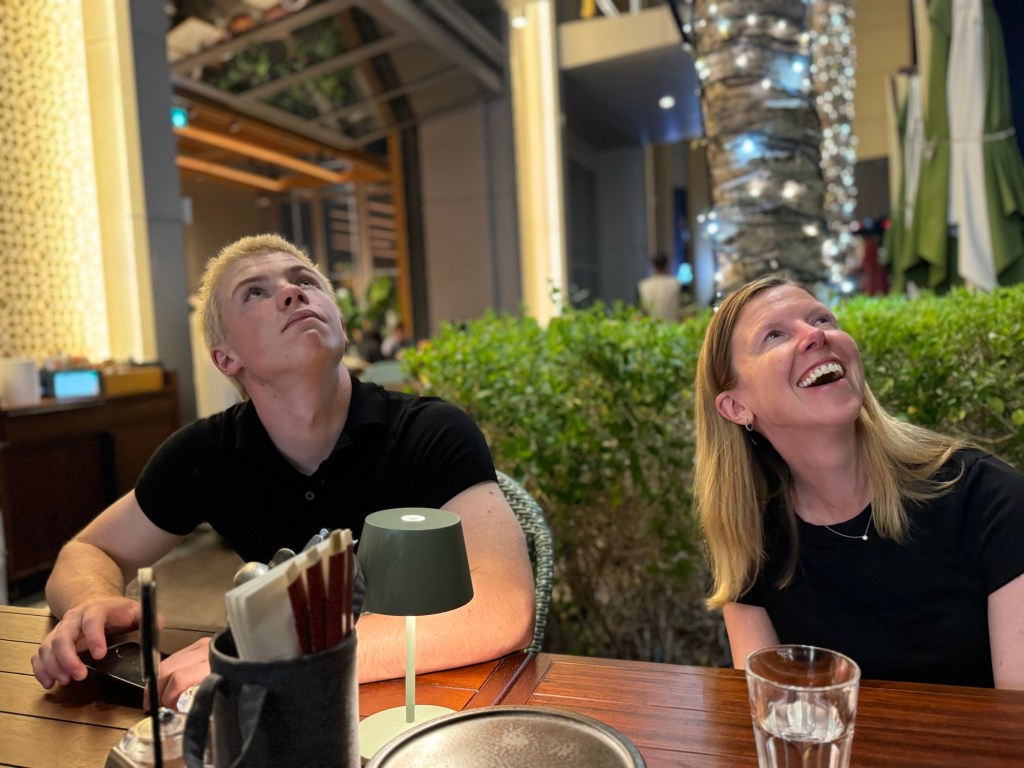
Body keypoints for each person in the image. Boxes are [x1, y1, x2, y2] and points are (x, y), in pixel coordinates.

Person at [30, 234, 535, 707]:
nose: (292, 292)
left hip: (436, 698)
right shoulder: (207, 453)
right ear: (226, 358)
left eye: (306, 281)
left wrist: (270, 661)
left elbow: (506, 609)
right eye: (255, 292)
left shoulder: (430, 430)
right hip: (299, 713)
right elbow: (87, 551)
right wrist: (92, 602)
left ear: (339, 323)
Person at [694, 274, 1024, 689]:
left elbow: (1016, 718)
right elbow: (769, 711)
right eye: (774, 335)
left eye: (822, 319)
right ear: (735, 407)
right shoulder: (751, 538)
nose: (815, 335)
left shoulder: (985, 497)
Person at [636, 252, 682, 322]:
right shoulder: (676, 284)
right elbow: (683, 310)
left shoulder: (643, 285)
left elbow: (639, 314)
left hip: (651, 327)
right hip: (673, 326)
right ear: (667, 265)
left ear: (653, 266)